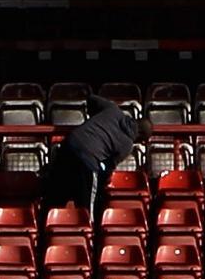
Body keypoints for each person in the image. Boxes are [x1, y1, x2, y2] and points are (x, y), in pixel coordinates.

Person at [40, 97, 148, 227]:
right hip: (88, 161)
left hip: (70, 145)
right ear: (141, 137)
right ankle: (88, 231)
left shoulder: (113, 110)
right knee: (87, 204)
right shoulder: (127, 145)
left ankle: (44, 230)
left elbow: (91, 99)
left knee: (56, 193)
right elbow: (108, 167)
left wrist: (93, 117)